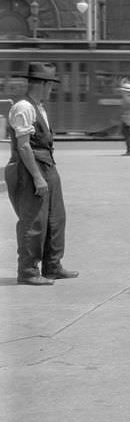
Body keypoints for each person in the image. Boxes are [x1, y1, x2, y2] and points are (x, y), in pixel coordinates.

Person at [3, 62, 78, 285]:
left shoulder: (38, 107)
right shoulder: (24, 108)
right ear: (43, 84)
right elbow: (24, 146)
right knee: (33, 220)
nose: (51, 90)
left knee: (56, 218)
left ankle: (52, 265)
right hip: (30, 168)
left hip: (47, 165)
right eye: (50, 85)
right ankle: (27, 271)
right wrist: (37, 177)